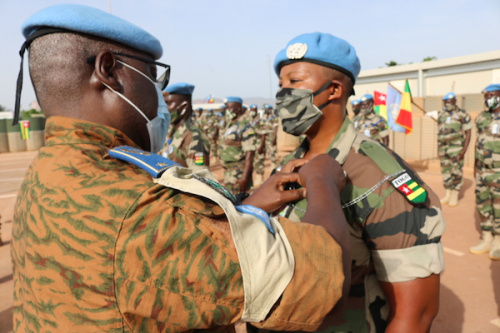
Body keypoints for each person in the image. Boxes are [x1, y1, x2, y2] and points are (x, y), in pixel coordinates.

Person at [11, 6, 351, 331]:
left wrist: (245, 208)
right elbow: (322, 280)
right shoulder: (141, 209)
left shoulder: (48, 171)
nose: (158, 93)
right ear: (109, 70)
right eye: (151, 74)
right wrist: (321, 180)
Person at [270, 32, 445, 332]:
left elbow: (414, 316)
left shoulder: (377, 176)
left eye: (294, 82)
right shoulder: (291, 163)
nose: (283, 94)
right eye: (281, 85)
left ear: (334, 89)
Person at [470, 83, 500, 260]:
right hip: (482, 171)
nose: (489, 99)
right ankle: (486, 238)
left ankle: (498, 241)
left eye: (492, 95)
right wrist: (475, 167)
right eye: (486, 97)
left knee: (498, 207)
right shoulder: (482, 118)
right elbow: (478, 141)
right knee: (483, 205)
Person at [160, 82, 210, 170]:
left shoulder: (193, 136)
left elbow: (200, 178)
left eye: (168, 104)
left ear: (184, 107)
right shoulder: (172, 130)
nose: (165, 109)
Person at [437, 92, 472, 207]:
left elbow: (468, 132)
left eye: (451, 102)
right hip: (443, 149)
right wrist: (438, 150)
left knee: (456, 171)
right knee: (445, 171)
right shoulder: (441, 114)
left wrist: (463, 151)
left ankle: (455, 195)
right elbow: (439, 132)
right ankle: (447, 193)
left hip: (456, 148)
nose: (448, 104)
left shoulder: (462, 114)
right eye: (446, 102)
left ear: (455, 102)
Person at [219, 96, 256, 193]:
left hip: (238, 173)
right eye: (226, 108)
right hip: (229, 174)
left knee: (239, 203)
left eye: (229, 108)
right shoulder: (231, 125)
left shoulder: (245, 127)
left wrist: (244, 178)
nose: (227, 111)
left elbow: (250, 154)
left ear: (238, 109)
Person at [249, 104, 267, 186]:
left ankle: (260, 179)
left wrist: (261, 146)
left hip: (259, 144)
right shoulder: (249, 120)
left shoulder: (260, 120)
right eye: (251, 110)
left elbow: (264, 135)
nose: (253, 111)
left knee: (259, 161)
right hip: (252, 145)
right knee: (254, 162)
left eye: (254, 110)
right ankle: (256, 177)